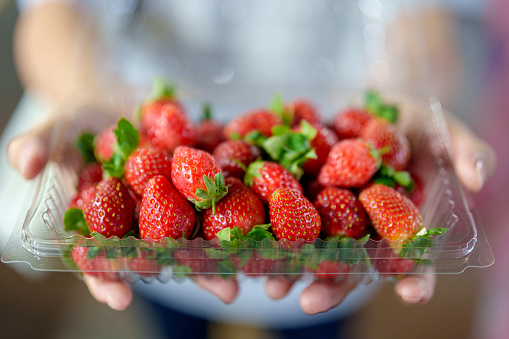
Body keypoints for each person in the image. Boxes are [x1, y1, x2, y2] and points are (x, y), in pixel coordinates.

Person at [3, 0, 496, 336]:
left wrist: (408, 94)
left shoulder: (303, 181)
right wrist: (82, 90)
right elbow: (56, 10)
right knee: (176, 322)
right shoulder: (172, 177)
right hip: (152, 166)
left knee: (319, 323)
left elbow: (420, 16)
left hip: (335, 250)